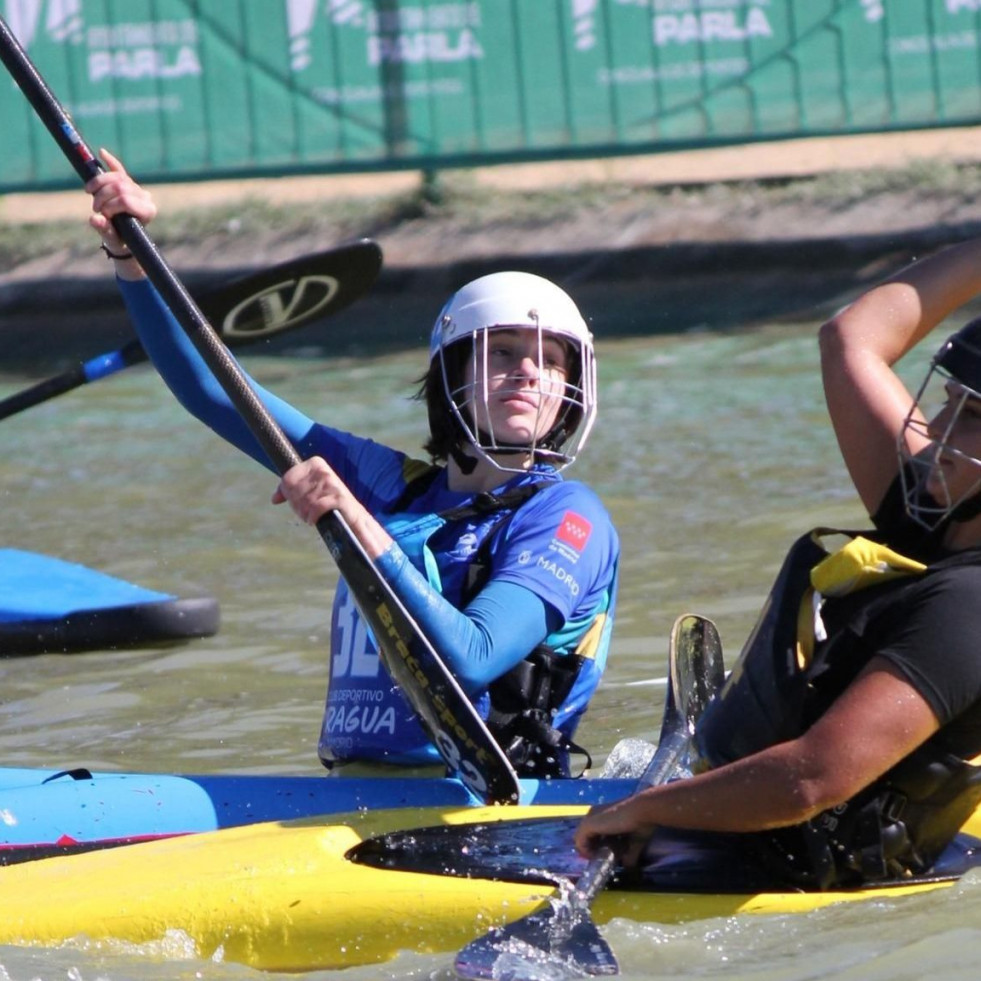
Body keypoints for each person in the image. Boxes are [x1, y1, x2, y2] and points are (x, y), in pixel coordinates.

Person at [86, 150, 619, 779]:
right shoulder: (386, 484)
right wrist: (133, 260)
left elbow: (474, 657)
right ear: (454, 375)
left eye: (550, 361)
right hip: (347, 792)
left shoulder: (565, 514)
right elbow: (211, 389)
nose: (528, 372)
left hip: (485, 810)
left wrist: (354, 521)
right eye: (501, 352)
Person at [576, 237, 981, 889]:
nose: (934, 428)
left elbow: (808, 780)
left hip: (800, 872)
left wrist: (638, 809)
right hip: (745, 836)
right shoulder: (935, 511)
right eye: (948, 401)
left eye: (972, 416)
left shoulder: (969, 604)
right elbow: (850, 340)